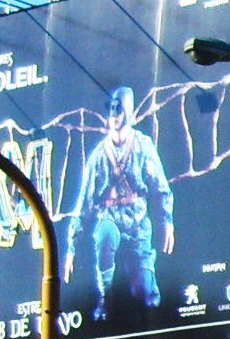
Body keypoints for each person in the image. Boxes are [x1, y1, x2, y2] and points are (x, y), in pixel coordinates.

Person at [65, 85, 174, 322]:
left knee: (144, 293)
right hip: (110, 217)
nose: (114, 115)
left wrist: (167, 222)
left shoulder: (143, 146)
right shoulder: (98, 155)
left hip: (137, 223)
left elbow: (160, 187)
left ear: (128, 112)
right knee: (103, 237)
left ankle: (147, 287)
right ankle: (106, 296)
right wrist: (71, 248)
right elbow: (84, 202)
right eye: (111, 110)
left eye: (119, 110)